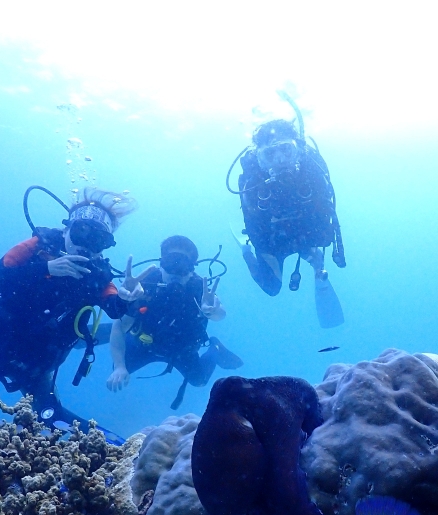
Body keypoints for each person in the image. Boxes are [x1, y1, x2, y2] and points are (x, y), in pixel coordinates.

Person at [0, 187, 140, 430]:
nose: (86, 247)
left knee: (50, 416)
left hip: (37, 365)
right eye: (81, 233)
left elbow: (115, 309)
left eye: (98, 241)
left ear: (104, 246)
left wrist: (128, 299)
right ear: (67, 228)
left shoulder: (98, 275)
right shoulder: (36, 247)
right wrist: (46, 269)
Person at [232, 107, 346, 328]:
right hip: (273, 241)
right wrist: (268, 251)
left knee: (318, 260)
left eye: (286, 150)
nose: (279, 159)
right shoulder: (252, 182)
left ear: (298, 151)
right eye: (269, 154)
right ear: (259, 159)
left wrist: (313, 246)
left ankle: (317, 270)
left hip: (306, 234)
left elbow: (327, 218)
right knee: (272, 289)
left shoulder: (312, 172)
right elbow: (254, 228)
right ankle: (244, 251)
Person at [106, 235, 243, 409]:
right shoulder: (144, 286)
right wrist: (119, 366)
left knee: (199, 381)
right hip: (144, 344)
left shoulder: (198, 289)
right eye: (171, 262)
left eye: (183, 265)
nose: (176, 271)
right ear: (162, 263)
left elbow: (219, 313)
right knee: (118, 367)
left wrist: (215, 312)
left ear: (192, 269)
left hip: (182, 351)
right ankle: (107, 341)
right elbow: (118, 325)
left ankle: (214, 347)